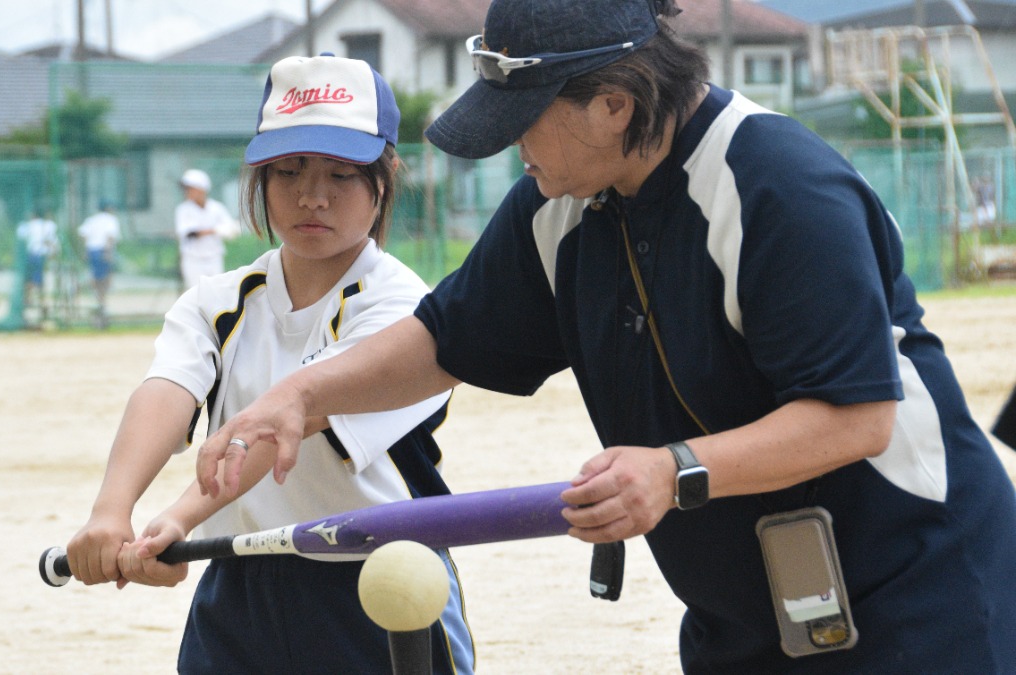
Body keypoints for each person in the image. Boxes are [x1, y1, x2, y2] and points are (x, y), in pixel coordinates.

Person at [199, 1, 1016, 672]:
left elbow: (855, 416)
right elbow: (448, 338)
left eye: (524, 121)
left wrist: (673, 469)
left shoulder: (778, 187)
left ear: (614, 104)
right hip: (742, 607)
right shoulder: (558, 200)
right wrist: (302, 395)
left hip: (919, 591)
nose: (514, 147)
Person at [66, 54, 475, 675]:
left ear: (386, 177)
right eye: (287, 171)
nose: (312, 195)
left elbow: (289, 421)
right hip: (239, 577)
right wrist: (111, 511)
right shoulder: (219, 299)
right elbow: (168, 390)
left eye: (341, 174)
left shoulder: (407, 309)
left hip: (377, 578)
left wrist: (175, 520)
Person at [174, 167, 239, 290]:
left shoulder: (216, 208)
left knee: (216, 292)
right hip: (193, 260)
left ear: (201, 188)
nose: (187, 191)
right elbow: (190, 233)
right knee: (196, 293)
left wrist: (230, 229)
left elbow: (230, 228)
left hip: (214, 257)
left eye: (190, 188)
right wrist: (216, 230)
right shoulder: (183, 209)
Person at [76, 200, 122, 325]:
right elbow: (110, 236)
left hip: (92, 250)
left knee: (98, 278)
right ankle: (101, 304)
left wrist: (86, 248)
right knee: (103, 279)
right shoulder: (110, 219)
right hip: (102, 250)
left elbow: (83, 234)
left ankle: (100, 301)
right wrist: (108, 251)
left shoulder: (92, 219)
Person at [16, 209, 58, 322]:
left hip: (29, 255)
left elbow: (21, 239)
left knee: (28, 281)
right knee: (38, 282)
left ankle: (28, 301)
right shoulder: (47, 225)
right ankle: (41, 303)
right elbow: (51, 243)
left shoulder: (26, 225)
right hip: (39, 255)